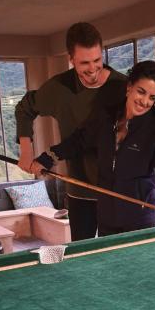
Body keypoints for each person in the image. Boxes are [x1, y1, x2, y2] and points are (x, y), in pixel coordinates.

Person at [39, 60, 155, 236]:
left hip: (140, 219)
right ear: (129, 87)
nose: (145, 101)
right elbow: (78, 141)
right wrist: (48, 157)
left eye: (152, 97)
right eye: (141, 91)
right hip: (107, 217)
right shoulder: (106, 117)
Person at [15, 22, 127, 241]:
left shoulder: (122, 86)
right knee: (81, 257)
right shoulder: (58, 88)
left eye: (97, 60)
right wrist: (26, 151)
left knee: (116, 256)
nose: (93, 69)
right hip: (79, 190)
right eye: (84, 63)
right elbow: (25, 108)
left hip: (116, 191)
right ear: (71, 59)